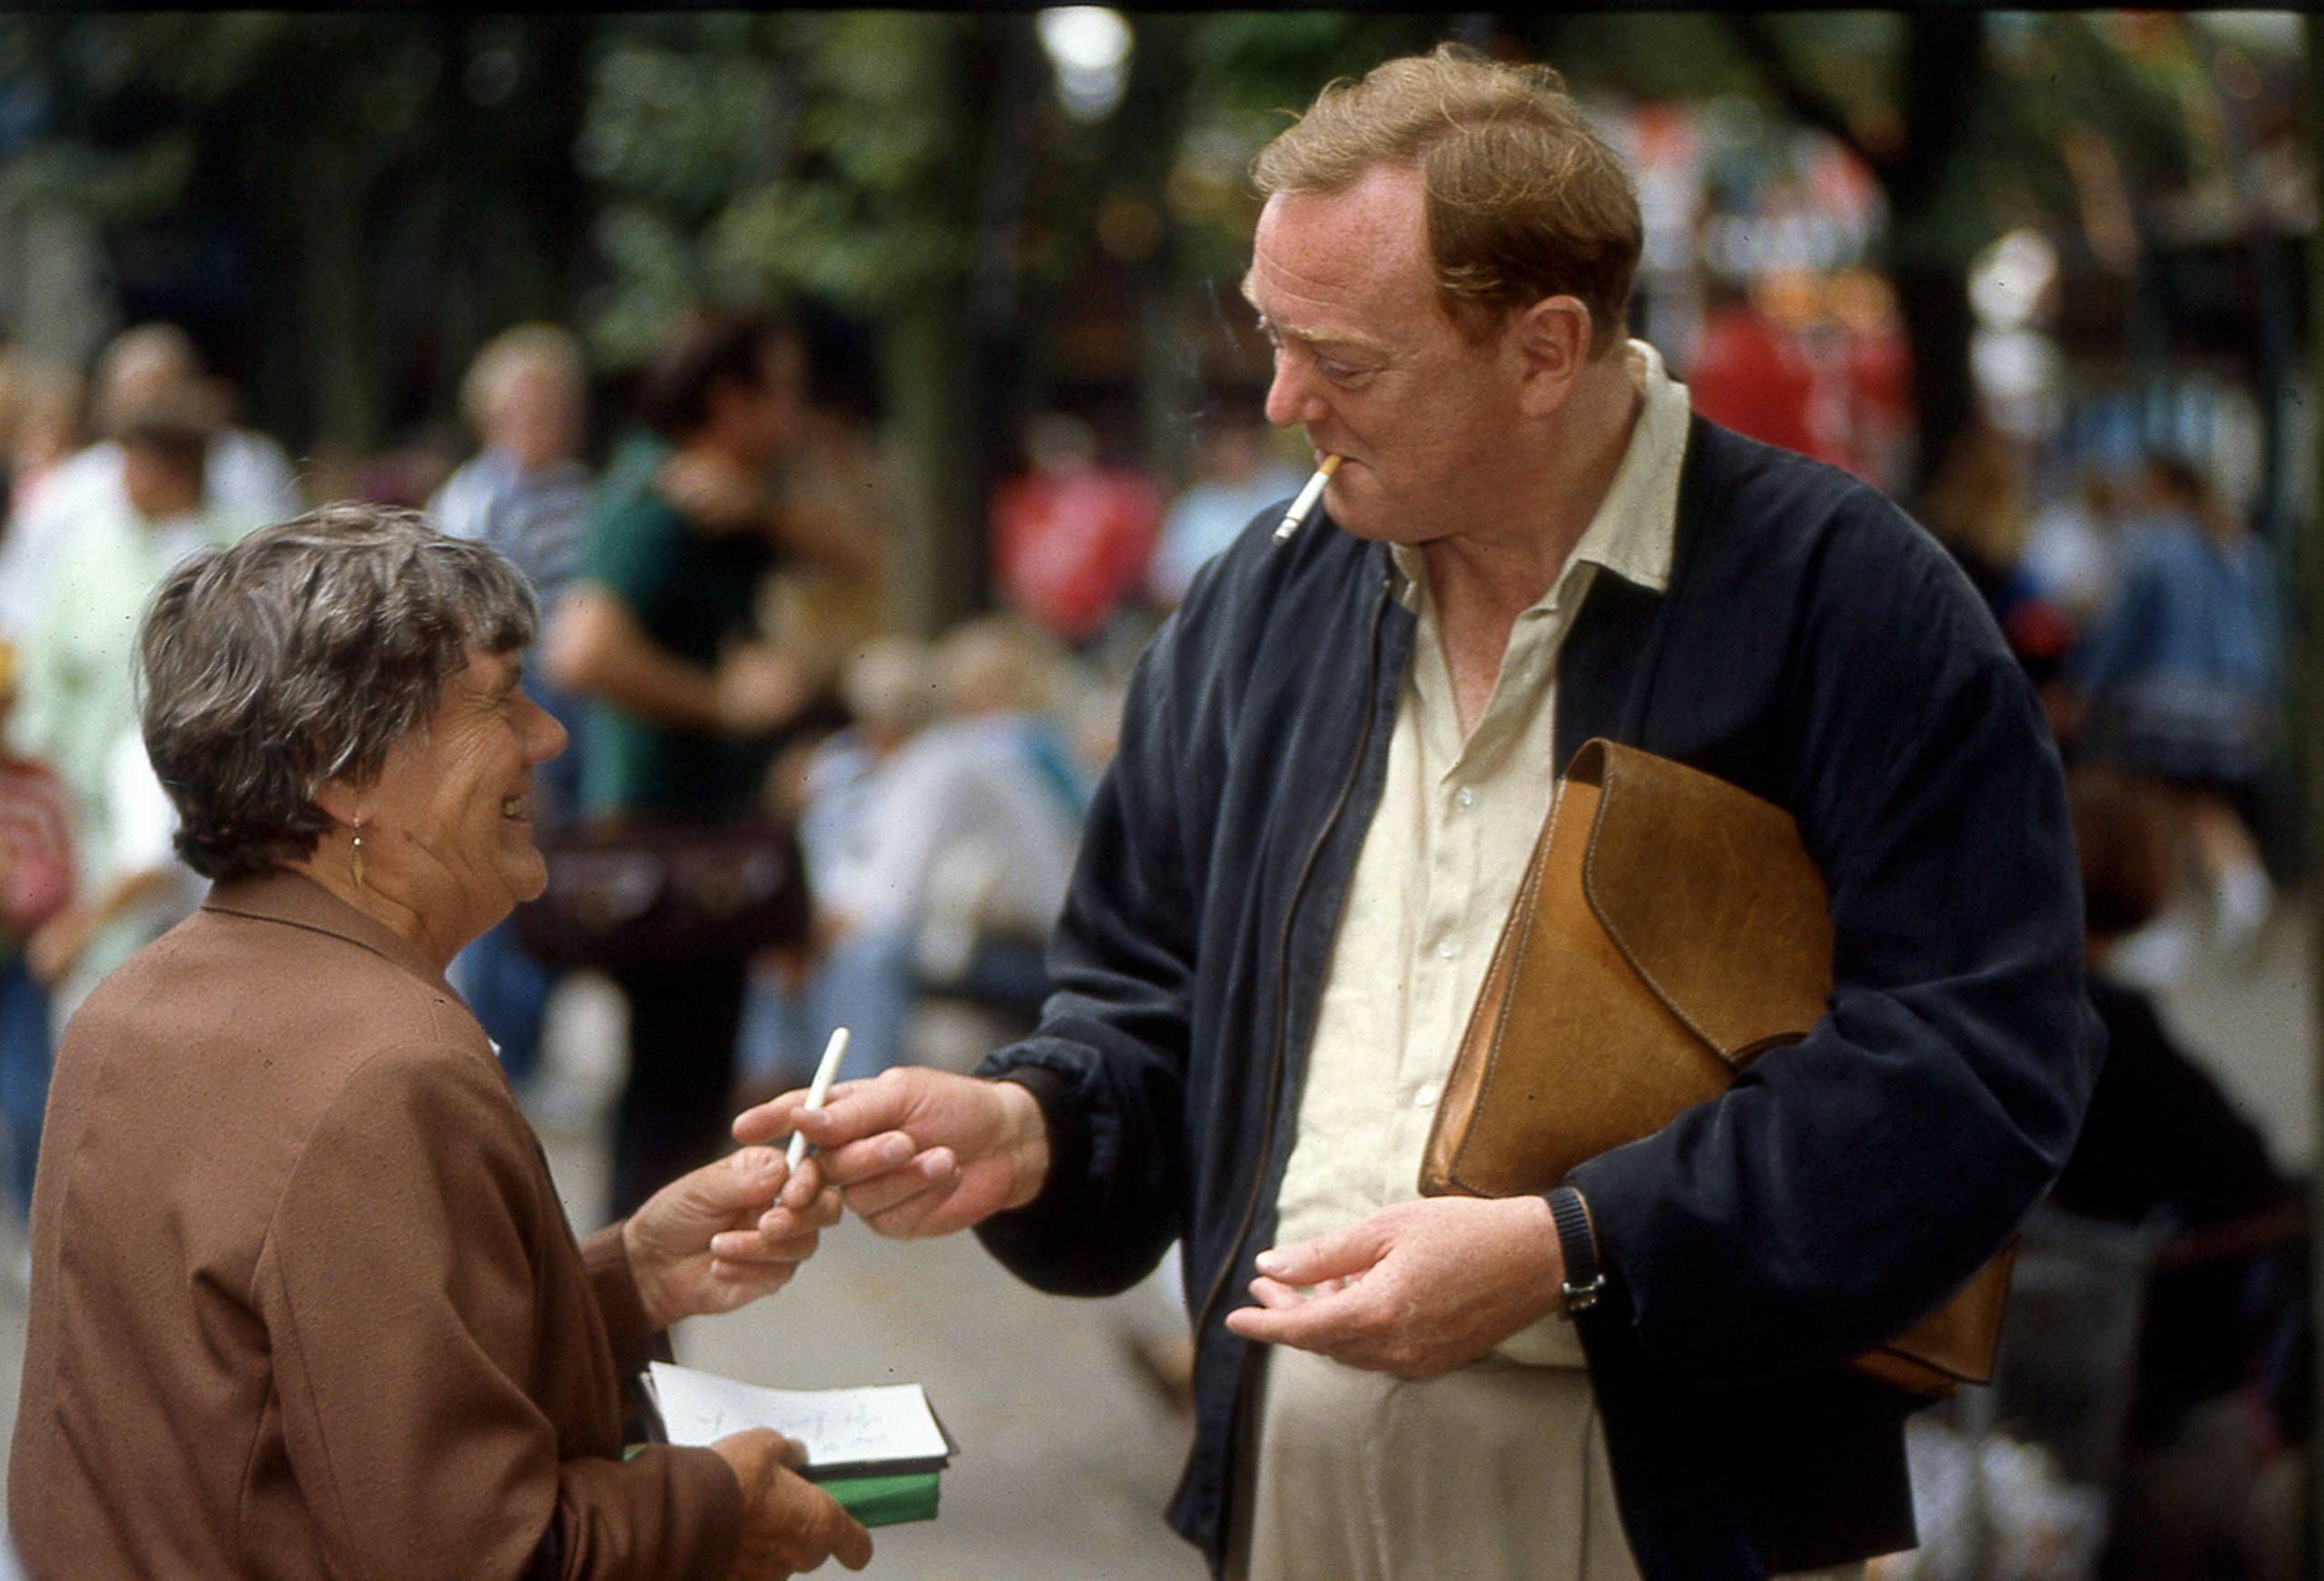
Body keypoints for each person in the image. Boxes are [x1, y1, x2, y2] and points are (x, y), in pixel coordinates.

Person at [743, 45, 2098, 1581]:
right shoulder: (1253, 602)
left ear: (1545, 349)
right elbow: (1146, 1007)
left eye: (1348, 359)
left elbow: (1979, 1064)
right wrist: (1034, 1120)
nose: (1280, 396)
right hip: (1294, 1505)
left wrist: (1569, 1249)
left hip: (1685, 1516)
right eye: (1269, 335)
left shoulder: (1847, 599)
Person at [9, 506, 872, 1580]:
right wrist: (714, 1503)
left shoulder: (138, 997)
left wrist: (628, 1273)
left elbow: (316, 1384)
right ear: (339, 766)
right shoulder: (386, 1066)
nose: (547, 735)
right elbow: (478, 1552)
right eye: (499, 699)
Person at [544, 310, 849, 1222]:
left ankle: (637, 1329)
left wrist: (769, 511)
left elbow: (865, 549)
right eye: (781, 390)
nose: (796, 413)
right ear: (728, 397)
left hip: (697, 836)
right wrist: (722, 702)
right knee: (668, 1106)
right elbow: (580, 648)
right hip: (670, 840)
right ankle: (632, 1329)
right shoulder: (662, 499)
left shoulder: (728, 492)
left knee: (675, 1101)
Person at [430, 324, 598, 1091]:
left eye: (553, 403)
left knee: (558, 878)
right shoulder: (474, 497)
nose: (541, 419)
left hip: (583, 705)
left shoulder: (584, 497)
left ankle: (531, 1049)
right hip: (511, 697)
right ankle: (496, 1048)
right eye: (526, 404)